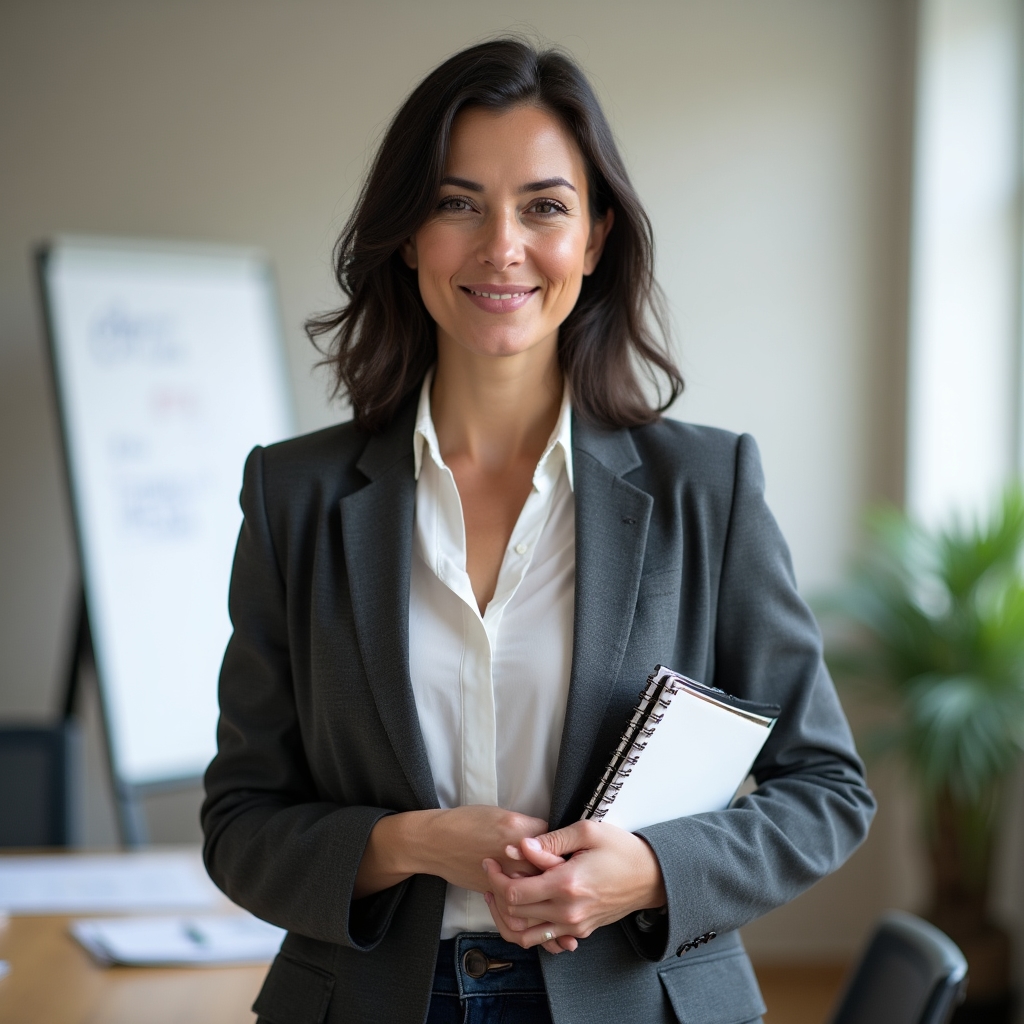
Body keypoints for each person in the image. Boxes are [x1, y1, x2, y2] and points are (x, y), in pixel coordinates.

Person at [202, 38, 875, 1024]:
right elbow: (239, 821)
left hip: (635, 1000)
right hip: (374, 999)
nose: (500, 247)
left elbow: (825, 789)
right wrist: (413, 843)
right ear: (406, 234)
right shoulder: (292, 495)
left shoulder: (707, 485)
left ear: (595, 238)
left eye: (544, 207)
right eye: (456, 202)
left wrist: (647, 869)